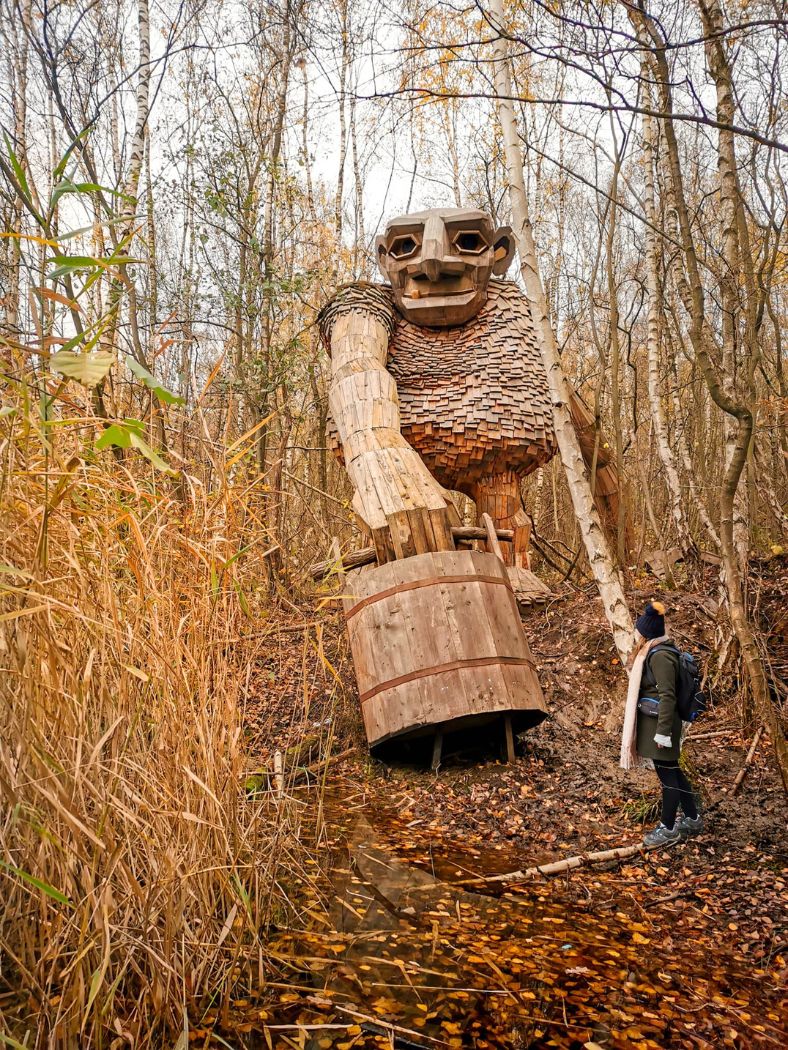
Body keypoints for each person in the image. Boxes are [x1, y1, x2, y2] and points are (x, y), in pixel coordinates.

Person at [620, 600, 703, 847]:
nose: (636, 632)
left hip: (661, 727)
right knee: (673, 772)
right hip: (656, 726)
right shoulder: (654, 651)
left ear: (646, 632)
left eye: (639, 629)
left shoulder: (661, 656)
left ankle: (668, 828)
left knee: (668, 778)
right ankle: (693, 817)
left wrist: (663, 733)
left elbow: (668, 696)